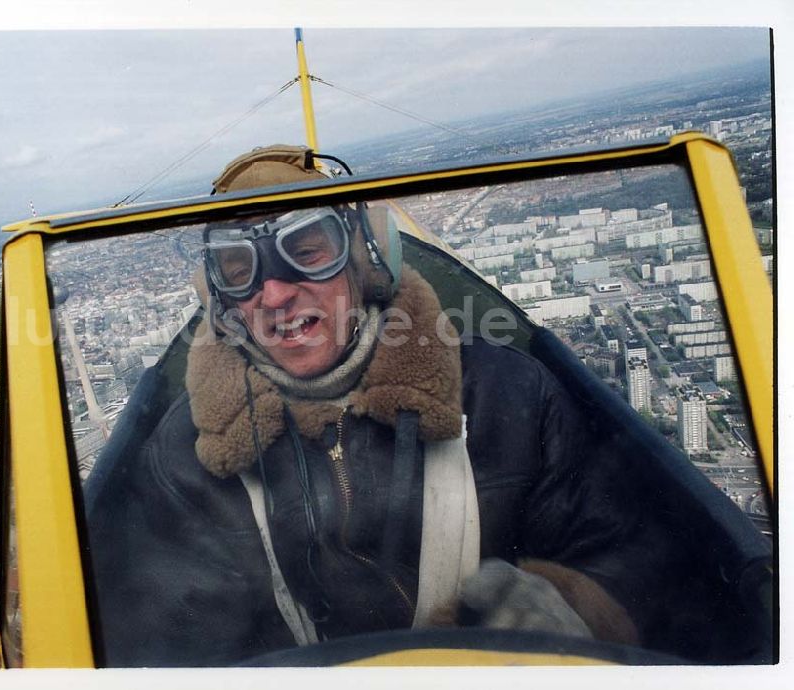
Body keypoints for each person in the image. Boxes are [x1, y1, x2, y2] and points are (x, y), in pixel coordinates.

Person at [84, 145, 675, 666]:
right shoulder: (186, 455)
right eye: (240, 270)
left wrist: (574, 604)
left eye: (306, 250)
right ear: (220, 301)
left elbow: (627, 561)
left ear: (367, 263)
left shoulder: (508, 395)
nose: (276, 292)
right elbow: (179, 646)